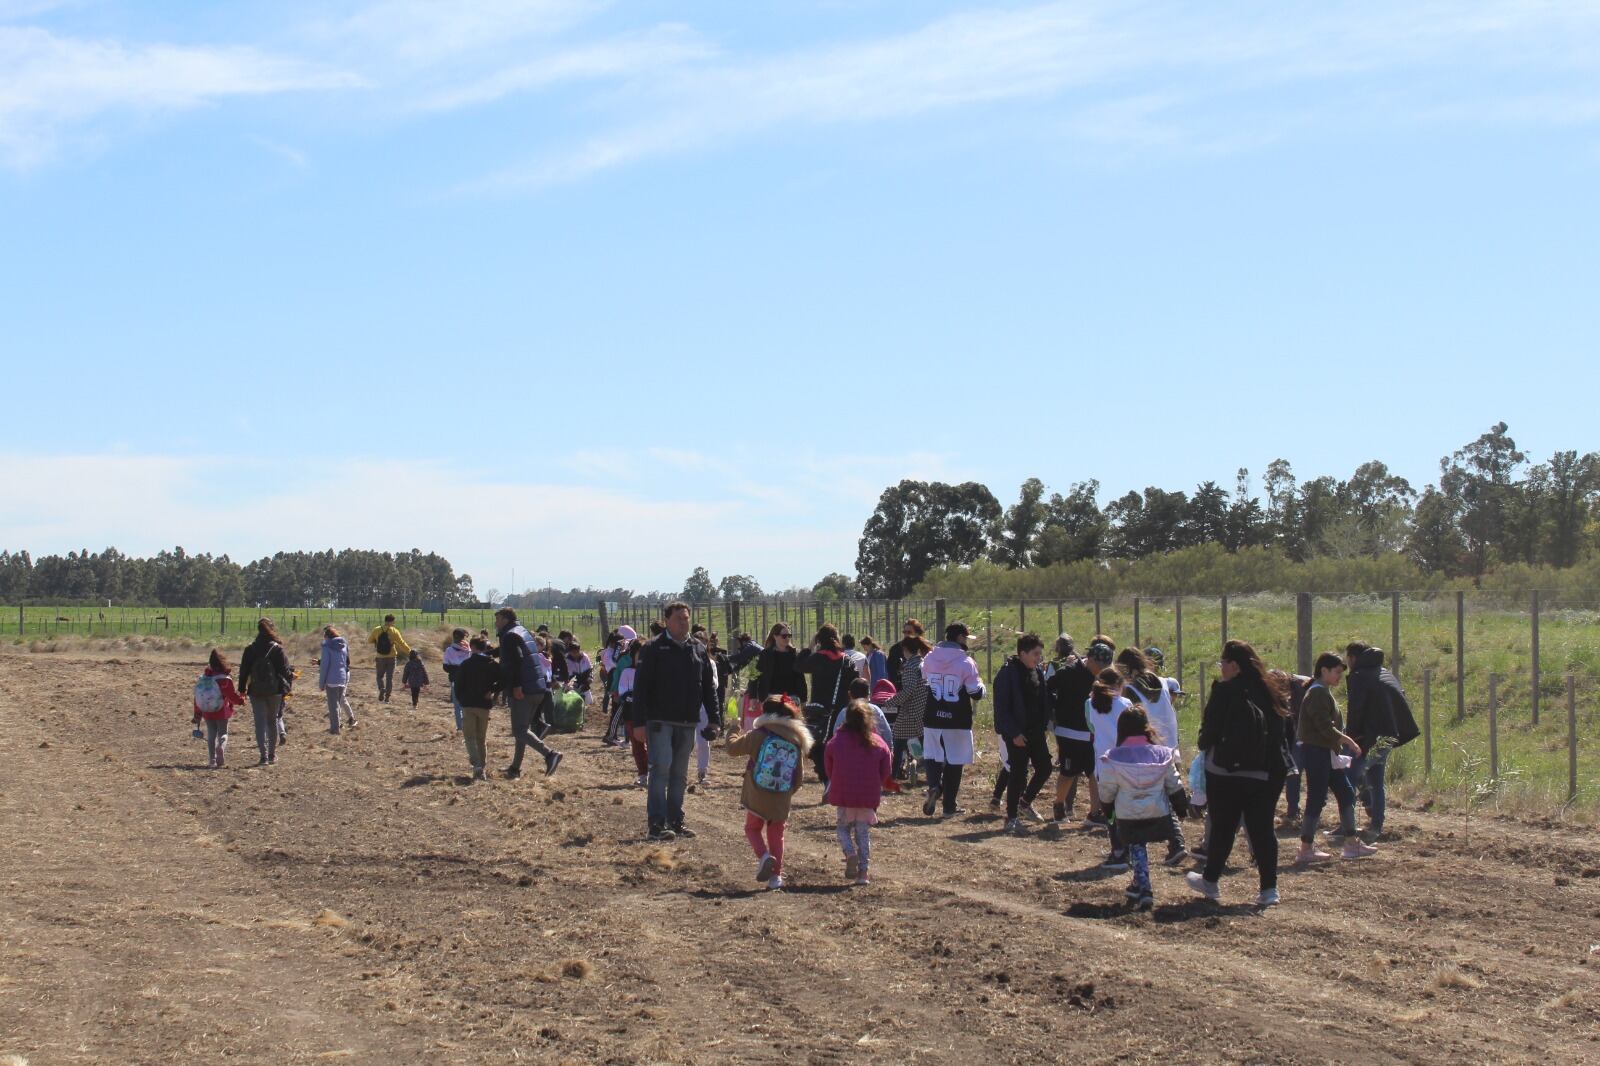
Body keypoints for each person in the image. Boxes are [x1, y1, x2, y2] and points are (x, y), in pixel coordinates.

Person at [1186, 639, 1292, 907]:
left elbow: (1209, 731)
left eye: (1223, 663)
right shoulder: (1271, 691)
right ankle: (1269, 890)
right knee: (1263, 830)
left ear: (1233, 665)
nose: (1221, 668)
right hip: (1267, 773)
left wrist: (1204, 743)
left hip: (1226, 771)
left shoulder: (1225, 691)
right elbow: (1285, 734)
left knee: (1223, 826)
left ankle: (1210, 882)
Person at [633, 601, 718, 842]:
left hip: (688, 721)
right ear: (667, 620)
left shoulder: (698, 649)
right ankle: (657, 824)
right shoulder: (653, 648)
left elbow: (708, 689)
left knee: (679, 774)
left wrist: (714, 720)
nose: (684, 621)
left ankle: (675, 820)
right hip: (660, 720)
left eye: (686, 618)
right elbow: (641, 688)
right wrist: (639, 722)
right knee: (660, 769)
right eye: (679, 618)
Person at [1098, 705, 1189, 910]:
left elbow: (1106, 790)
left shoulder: (1113, 758)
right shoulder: (1162, 755)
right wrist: (1181, 807)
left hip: (1128, 815)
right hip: (1158, 813)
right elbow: (1174, 784)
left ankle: (1145, 888)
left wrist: (1108, 809)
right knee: (1141, 846)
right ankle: (1137, 883)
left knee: (1137, 845)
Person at [725, 696, 813, 890]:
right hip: (781, 796)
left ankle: (764, 856)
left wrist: (733, 728)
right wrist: (786, 794)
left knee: (752, 829)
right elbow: (798, 777)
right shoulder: (795, 739)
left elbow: (732, 748)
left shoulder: (759, 734)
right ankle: (776, 878)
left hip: (757, 793)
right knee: (777, 835)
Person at [1295, 652, 1375, 863]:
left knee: (1346, 793)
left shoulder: (1322, 692)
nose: (1340, 676)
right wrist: (1347, 740)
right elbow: (1323, 726)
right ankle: (1305, 848)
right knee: (1317, 798)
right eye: (1337, 672)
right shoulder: (1318, 693)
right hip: (1317, 752)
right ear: (1324, 671)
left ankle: (1351, 843)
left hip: (1326, 752)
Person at [1344, 642, 1420, 843]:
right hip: (1388, 735)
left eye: (1347, 658)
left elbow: (1356, 710)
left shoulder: (1359, 677)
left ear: (1352, 658)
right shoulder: (1382, 671)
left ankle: (1350, 824)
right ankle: (1376, 825)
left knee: (1350, 775)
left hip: (1371, 737)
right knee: (1375, 780)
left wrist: (1350, 737)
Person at [1118, 647, 1186, 863]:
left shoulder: (1130, 691)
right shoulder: (1163, 682)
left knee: (1140, 798)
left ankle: (1134, 847)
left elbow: (1129, 721)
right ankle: (1176, 843)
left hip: (1146, 749)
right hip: (1169, 747)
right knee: (1164, 794)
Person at [919, 622, 986, 818]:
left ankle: (933, 786)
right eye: (965, 638)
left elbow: (924, 677)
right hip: (957, 719)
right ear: (959, 638)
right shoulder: (966, 662)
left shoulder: (930, 658)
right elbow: (975, 693)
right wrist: (982, 686)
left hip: (932, 715)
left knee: (932, 754)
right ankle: (949, 806)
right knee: (954, 760)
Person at [826, 700, 893, 885]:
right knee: (863, 833)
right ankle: (863, 873)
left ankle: (849, 854)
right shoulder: (878, 742)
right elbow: (886, 769)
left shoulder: (836, 741)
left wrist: (837, 778)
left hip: (844, 794)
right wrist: (876, 783)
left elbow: (828, 765)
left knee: (842, 828)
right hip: (867, 796)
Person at [992, 633, 1054, 833]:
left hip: (1035, 732)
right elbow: (1001, 709)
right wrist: (1014, 733)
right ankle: (1011, 819)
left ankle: (1025, 802)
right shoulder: (1007, 674)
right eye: (1035, 654)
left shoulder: (1037, 672)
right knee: (1017, 774)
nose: (1038, 658)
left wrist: (1044, 724)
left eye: (1039, 654)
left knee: (1045, 768)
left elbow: (1042, 700)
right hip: (1017, 734)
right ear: (1022, 653)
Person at [494, 608, 563, 780]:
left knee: (519, 730)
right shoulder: (521, 631)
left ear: (505, 619)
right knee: (522, 730)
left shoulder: (509, 635)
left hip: (523, 689)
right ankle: (515, 768)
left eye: (497, 619)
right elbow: (508, 653)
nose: (495, 623)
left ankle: (550, 754)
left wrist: (516, 685)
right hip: (537, 687)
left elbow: (516, 660)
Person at [1048, 636, 1105, 823]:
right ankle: (1058, 804)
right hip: (1069, 731)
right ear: (1091, 659)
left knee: (1094, 772)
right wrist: (1056, 710)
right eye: (1100, 664)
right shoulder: (1068, 672)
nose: (1102, 669)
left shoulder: (1102, 678)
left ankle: (1094, 813)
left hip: (1092, 733)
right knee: (1068, 773)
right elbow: (1048, 689)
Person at [797, 624, 860, 786]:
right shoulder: (847, 660)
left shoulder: (818, 658)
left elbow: (798, 666)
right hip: (841, 709)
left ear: (819, 640)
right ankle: (836, 776)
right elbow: (855, 681)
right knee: (838, 743)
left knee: (816, 745)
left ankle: (827, 779)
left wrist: (809, 646)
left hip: (819, 709)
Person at [1088, 668, 1133, 869]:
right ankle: (1127, 849)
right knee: (1125, 809)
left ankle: (1117, 850)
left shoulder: (1091, 704)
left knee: (1111, 811)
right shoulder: (1125, 704)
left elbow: (1091, 728)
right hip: (1124, 763)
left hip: (1103, 765)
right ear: (1119, 686)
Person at [238, 618, 294, 766]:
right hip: (274, 690)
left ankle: (263, 757)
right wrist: (290, 678)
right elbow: (285, 671)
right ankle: (272, 755)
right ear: (271, 630)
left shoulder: (250, 649)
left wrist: (242, 690)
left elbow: (243, 671)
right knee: (272, 720)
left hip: (255, 690)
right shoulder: (277, 649)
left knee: (259, 723)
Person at [886, 628, 933, 781]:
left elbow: (908, 690)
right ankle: (932, 771)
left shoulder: (910, 667)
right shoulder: (922, 663)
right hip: (923, 709)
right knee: (923, 740)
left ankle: (893, 775)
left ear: (905, 650)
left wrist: (890, 702)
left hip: (911, 711)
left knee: (898, 740)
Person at [453, 636, 502, 781]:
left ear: (473, 647)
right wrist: (493, 690)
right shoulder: (491, 663)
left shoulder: (466, 664)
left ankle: (477, 765)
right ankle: (483, 765)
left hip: (468, 704)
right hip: (484, 704)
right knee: (481, 737)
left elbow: (458, 684)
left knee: (469, 737)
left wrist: (461, 700)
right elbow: (504, 679)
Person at [192, 648, 244, 768]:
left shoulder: (203, 678)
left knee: (211, 735)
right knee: (223, 733)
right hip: (222, 710)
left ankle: (212, 760)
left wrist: (197, 714)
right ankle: (220, 746)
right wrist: (241, 701)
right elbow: (231, 697)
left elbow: (198, 698)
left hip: (206, 711)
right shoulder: (224, 679)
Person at [318, 625, 357, 734]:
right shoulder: (343, 645)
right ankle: (339, 724)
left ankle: (335, 729)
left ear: (327, 636)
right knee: (338, 702)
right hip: (342, 677)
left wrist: (321, 683)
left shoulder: (326, 647)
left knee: (333, 705)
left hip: (331, 679)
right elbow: (345, 663)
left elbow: (325, 666)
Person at [755, 624, 807, 705]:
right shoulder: (765, 654)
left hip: (792, 699)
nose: (787, 638)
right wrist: (752, 697)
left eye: (789, 636)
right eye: (784, 636)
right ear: (775, 636)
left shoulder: (794, 654)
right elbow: (754, 675)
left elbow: (801, 678)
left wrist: (804, 699)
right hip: (771, 698)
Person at [835, 677, 892, 748]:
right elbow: (887, 734)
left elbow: (835, 734)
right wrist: (890, 750)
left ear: (849, 694)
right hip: (873, 753)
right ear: (869, 695)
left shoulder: (844, 712)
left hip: (847, 754)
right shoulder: (876, 710)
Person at [368, 614, 411, 702]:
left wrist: (377, 641)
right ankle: (387, 698)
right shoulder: (394, 631)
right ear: (391, 621)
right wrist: (410, 652)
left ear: (385, 620)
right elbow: (402, 643)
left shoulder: (377, 630)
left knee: (379, 676)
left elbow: (369, 640)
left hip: (380, 657)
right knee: (389, 678)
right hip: (391, 657)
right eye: (394, 621)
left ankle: (381, 688)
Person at [442, 628, 472, 732]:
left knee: (457, 705)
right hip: (468, 680)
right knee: (467, 703)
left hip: (455, 679)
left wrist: (454, 669)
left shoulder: (449, 650)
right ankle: (469, 725)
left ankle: (460, 727)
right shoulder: (469, 649)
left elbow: (445, 667)